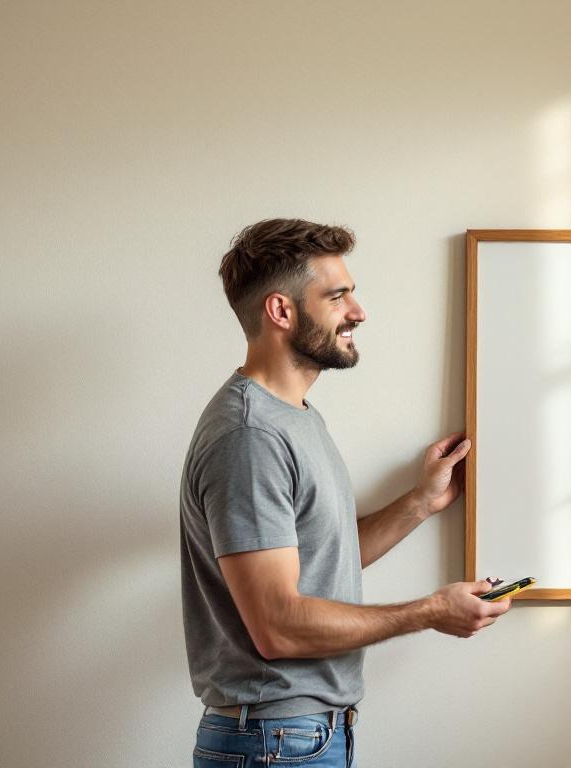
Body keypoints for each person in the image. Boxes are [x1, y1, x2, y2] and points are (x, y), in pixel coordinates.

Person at [179, 218, 511, 767]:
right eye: (338, 297)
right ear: (281, 312)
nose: (358, 312)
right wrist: (429, 611)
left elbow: (323, 559)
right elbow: (278, 626)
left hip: (302, 739)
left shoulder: (295, 419)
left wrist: (420, 503)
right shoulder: (250, 436)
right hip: (276, 745)